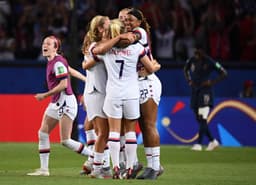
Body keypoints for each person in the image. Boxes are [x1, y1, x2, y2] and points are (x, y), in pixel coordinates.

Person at [91, 18, 161, 179]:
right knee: (130, 132)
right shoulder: (137, 48)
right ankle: (130, 167)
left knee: (114, 132)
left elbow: (95, 52)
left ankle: (116, 166)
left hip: (113, 94)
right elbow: (150, 68)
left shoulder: (106, 50)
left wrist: (114, 40)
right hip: (131, 94)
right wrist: (155, 67)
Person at [27, 35, 93, 176]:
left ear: (55, 47)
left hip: (65, 102)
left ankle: (96, 158)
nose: (45, 45)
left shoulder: (57, 63)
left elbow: (63, 84)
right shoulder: (55, 61)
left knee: (66, 140)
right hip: (57, 102)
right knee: (43, 133)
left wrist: (44, 95)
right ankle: (44, 169)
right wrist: (86, 79)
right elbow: (69, 69)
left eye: (49, 44)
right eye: (44, 43)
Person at [127, 8, 163, 180]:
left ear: (139, 22)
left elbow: (127, 41)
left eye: (131, 20)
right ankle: (151, 166)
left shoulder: (138, 33)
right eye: (125, 20)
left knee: (149, 124)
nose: (128, 23)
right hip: (136, 83)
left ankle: (155, 167)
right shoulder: (128, 33)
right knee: (142, 125)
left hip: (147, 82)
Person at [80, 15, 112, 179]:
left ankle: (93, 162)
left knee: (96, 129)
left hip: (97, 91)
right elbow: (90, 62)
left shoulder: (100, 44)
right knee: (103, 132)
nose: (111, 26)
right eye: (108, 25)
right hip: (97, 92)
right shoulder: (97, 46)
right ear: (100, 28)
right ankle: (100, 168)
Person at [183, 47, 228, 151]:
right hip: (195, 91)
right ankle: (213, 141)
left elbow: (224, 73)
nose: (196, 53)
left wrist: (212, 82)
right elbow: (185, 69)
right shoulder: (192, 60)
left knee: (203, 117)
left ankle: (199, 144)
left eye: (198, 51)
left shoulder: (209, 61)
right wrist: (189, 80)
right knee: (199, 118)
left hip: (205, 92)